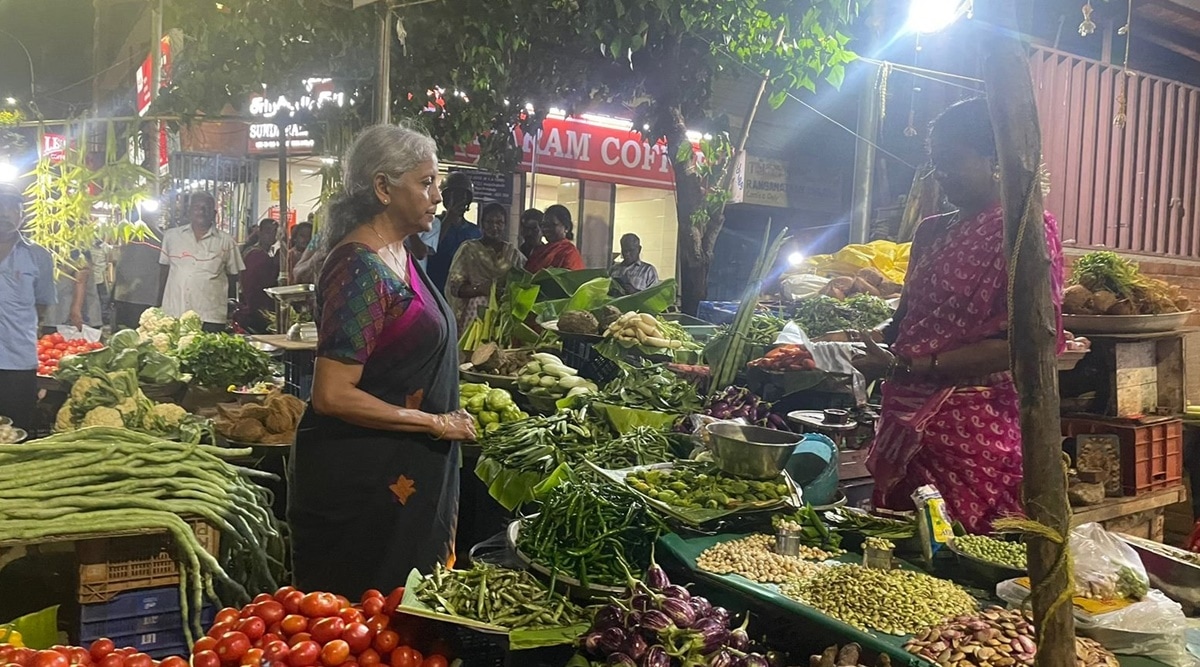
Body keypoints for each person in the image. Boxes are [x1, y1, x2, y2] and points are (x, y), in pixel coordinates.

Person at [848, 98, 1064, 533]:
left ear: (993, 160)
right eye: (935, 162)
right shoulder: (931, 230)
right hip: (905, 412)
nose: (940, 175)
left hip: (973, 426)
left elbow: (1024, 341)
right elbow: (907, 318)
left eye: (951, 162)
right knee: (897, 537)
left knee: (963, 547)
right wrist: (870, 342)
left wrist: (907, 364)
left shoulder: (1025, 234)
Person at [288, 123, 476, 597]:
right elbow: (331, 394)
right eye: (426, 182)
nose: (438, 195)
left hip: (400, 474)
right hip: (363, 485)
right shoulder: (359, 267)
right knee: (363, 623)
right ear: (383, 188)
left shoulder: (399, 253)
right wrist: (432, 421)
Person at [0, 184, 56, 430]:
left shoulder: (38, 256)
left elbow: (41, 304)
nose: (4, 212)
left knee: (16, 431)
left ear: (22, 214)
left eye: (12, 207)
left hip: (18, 362)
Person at [158, 191, 245, 333]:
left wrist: (229, 306)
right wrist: (158, 304)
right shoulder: (171, 237)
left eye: (207, 208)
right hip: (175, 313)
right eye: (197, 207)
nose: (202, 211)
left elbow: (234, 276)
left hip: (210, 317)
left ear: (214, 213)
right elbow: (164, 271)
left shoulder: (226, 241)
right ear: (189, 211)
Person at [445, 203, 525, 332]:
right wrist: (480, 289)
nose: (494, 227)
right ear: (482, 224)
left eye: (499, 222)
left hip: (503, 317)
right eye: (489, 222)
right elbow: (454, 288)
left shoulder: (512, 254)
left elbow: (522, 285)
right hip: (475, 314)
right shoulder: (468, 249)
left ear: (505, 225)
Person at [417, 172, 480, 292]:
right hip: (435, 287)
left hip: (462, 293)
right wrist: (449, 217)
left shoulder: (474, 231)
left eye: (462, 196)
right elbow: (428, 249)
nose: (458, 200)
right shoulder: (433, 224)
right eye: (453, 196)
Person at [112, 216, 164, 330]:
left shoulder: (160, 238)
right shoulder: (130, 234)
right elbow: (122, 264)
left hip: (144, 296)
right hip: (126, 295)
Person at [234, 218, 280, 333]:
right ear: (260, 232)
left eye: (275, 231)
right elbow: (255, 286)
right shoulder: (256, 255)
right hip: (257, 310)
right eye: (268, 231)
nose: (271, 235)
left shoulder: (265, 253)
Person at [525, 204, 584, 272]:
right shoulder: (540, 250)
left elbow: (570, 279)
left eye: (551, 225)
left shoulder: (569, 253)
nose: (546, 229)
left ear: (566, 227)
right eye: (544, 225)